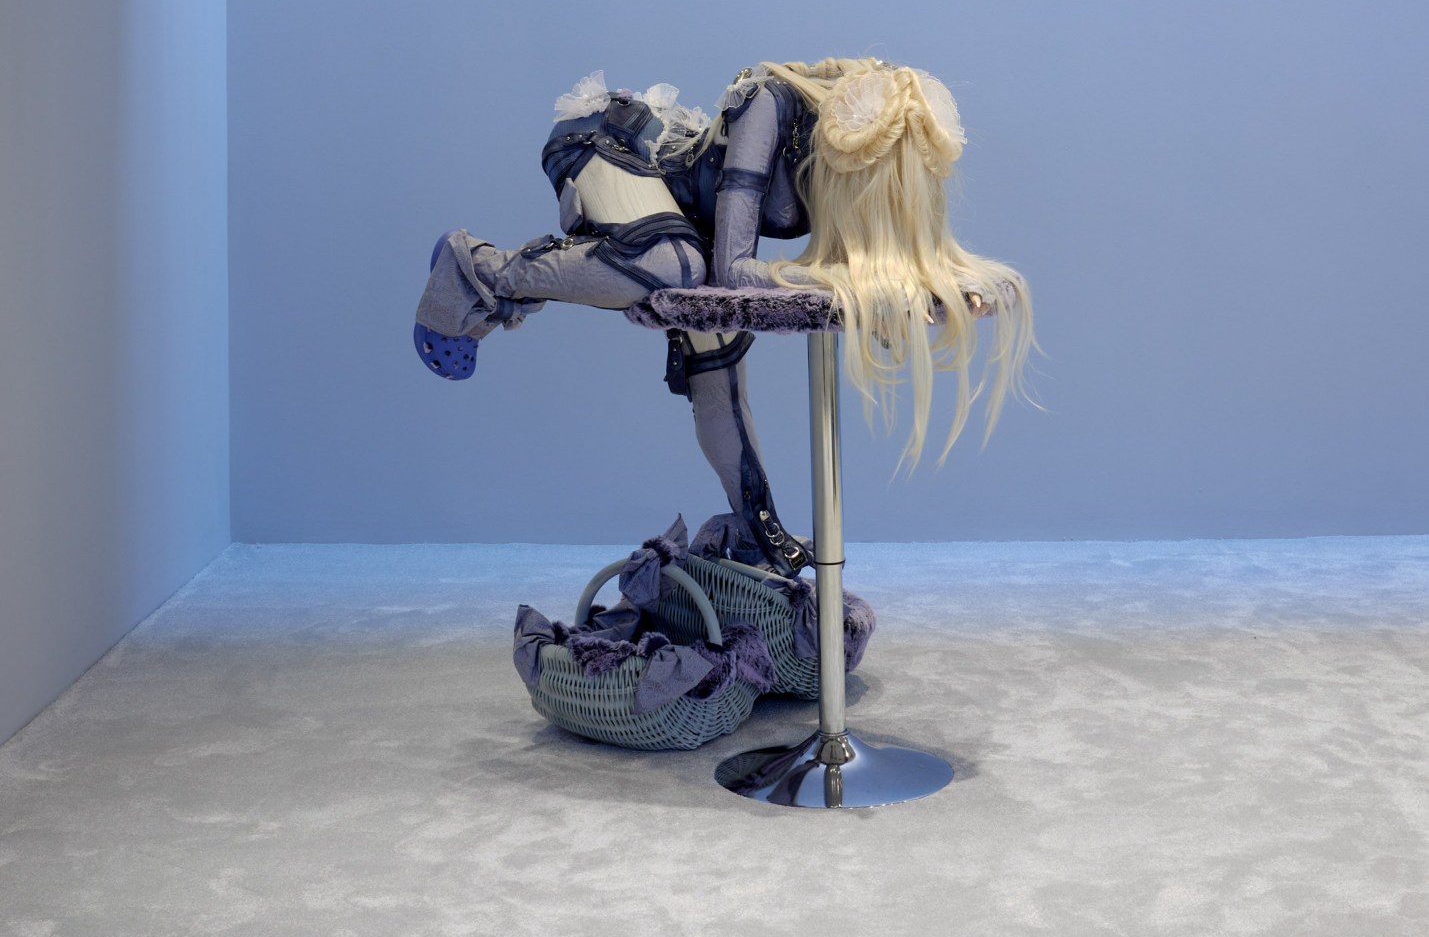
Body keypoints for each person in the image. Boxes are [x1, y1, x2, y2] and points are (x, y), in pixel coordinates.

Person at [414, 59, 1034, 575]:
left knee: (722, 381)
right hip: (608, 143)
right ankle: (479, 271)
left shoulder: (863, 156)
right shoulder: (771, 105)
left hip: (691, 217)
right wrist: (848, 286)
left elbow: (865, 264)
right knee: (680, 269)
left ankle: (757, 532)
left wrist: (911, 284)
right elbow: (735, 272)